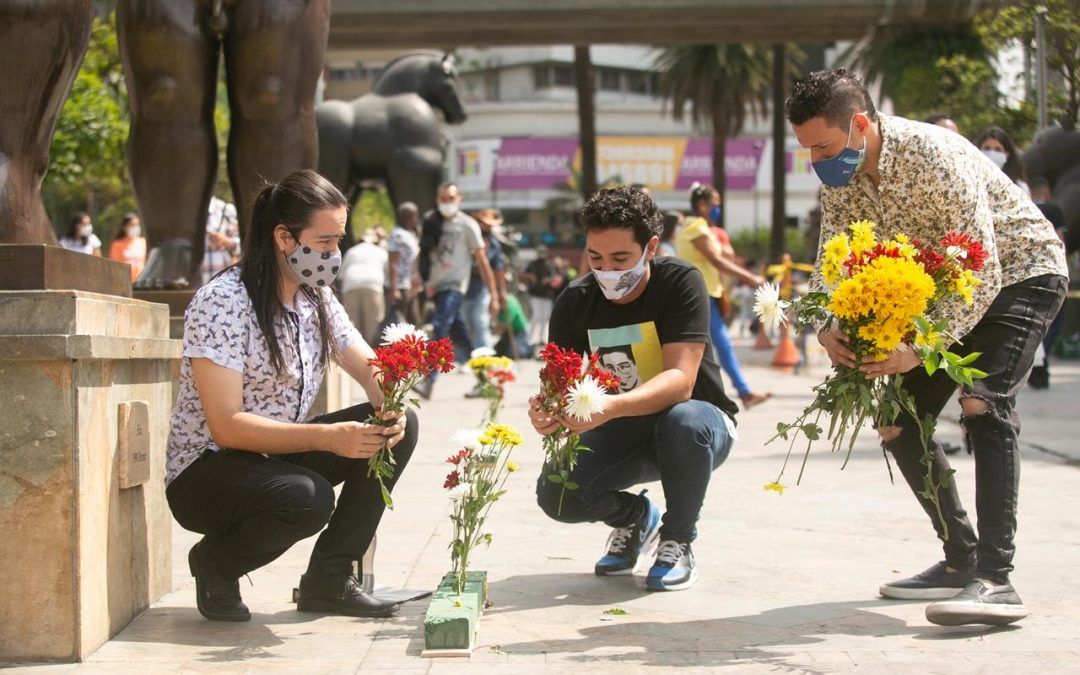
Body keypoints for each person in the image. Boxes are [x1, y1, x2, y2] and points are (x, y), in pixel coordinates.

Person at [787, 68, 1067, 626]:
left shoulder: (937, 156)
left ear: (860, 125)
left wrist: (917, 349)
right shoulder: (838, 178)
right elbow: (830, 263)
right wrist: (825, 324)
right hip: (944, 295)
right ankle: (960, 560)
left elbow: (983, 269)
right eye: (807, 149)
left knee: (982, 402)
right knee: (897, 419)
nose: (816, 160)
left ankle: (997, 579)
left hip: (1018, 277)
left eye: (822, 145)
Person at [165, 169, 417, 622]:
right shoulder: (222, 301)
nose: (334, 254)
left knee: (403, 424)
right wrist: (327, 438)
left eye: (339, 241)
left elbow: (366, 364)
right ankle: (216, 564)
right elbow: (226, 425)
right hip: (208, 470)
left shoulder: (314, 296)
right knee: (309, 497)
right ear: (284, 237)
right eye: (324, 242)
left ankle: (329, 580)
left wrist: (389, 403)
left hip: (276, 455)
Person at [529, 185, 739, 592]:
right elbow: (560, 385)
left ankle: (678, 539)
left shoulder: (681, 282)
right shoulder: (575, 301)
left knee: (683, 420)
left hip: (699, 426)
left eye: (620, 258)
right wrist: (548, 411)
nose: (607, 270)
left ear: (651, 247)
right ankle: (635, 518)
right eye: (595, 257)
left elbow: (681, 382)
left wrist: (608, 406)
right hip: (623, 427)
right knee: (557, 493)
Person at [675, 184, 770, 409]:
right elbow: (717, 260)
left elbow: (726, 254)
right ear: (702, 205)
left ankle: (738, 393)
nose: (718, 209)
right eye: (715, 204)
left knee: (712, 348)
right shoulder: (695, 226)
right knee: (718, 346)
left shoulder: (702, 228)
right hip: (699, 296)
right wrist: (750, 278)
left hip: (706, 294)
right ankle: (742, 393)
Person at [415, 183, 499, 399]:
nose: (446, 202)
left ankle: (429, 380)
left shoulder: (468, 225)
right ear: (437, 200)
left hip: (454, 286)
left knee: (440, 326)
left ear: (459, 199)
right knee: (461, 337)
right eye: (442, 198)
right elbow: (423, 253)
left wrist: (495, 295)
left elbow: (482, 262)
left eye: (450, 198)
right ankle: (484, 381)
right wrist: (419, 278)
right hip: (435, 286)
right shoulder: (432, 221)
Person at [463, 208, 508, 352]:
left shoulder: (495, 245)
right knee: (463, 324)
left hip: (482, 288)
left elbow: (498, 269)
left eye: (490, 224)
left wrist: (501, 292)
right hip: (462, 287)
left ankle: (484, 354)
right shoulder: (466, 239)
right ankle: (463, 356)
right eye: (484, 224)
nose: (487, 227)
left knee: (481, 322)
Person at [339, 229, 388, 346]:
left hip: (351, 284)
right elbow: (387, 273)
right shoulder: (380, 251)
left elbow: (341, 274)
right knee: (373, 323)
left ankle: (355, 353)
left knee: (352, 323)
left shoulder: (352, 251)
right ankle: (371, 353)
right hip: (373, 285)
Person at [384, 202, 421, 326]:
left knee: (414, 322)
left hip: (409, 285)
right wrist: (394, 289)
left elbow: (412, 260)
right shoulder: (397, 235)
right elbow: (393, 262)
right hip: (400, 286)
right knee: (401, 323)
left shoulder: (410, 234)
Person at [521, 245, 560, 347]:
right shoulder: (532, 264)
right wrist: (530, 276)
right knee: (536, 316)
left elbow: (554, 277)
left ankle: (542, 338)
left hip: (546, 294)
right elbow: (522, 274)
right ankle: (530, 339)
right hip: (535, 293)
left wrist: (548, 279)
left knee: (545, 317)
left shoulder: (548, 264)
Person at [974, 126, 1030, 197]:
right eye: (987, 148)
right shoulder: (971, 183)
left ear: (1007, 154)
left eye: (998, 149)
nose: (991, 153)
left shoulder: (1019, 188)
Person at [201, 198, 241, 285]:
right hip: (192, 286)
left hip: (220, 284)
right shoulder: (187, 209)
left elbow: (241, 244)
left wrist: (225, 240)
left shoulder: (225, 209)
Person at [108, 212, 148, 281]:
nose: (135, 227)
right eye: (132, 225)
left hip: (140, 281)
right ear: (124, 227)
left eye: (137, 225)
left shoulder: (143, 242)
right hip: (123, 281)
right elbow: (114, 266)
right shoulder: (117, 244)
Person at [493, 292, 531, 359]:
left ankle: (529, 349)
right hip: (508, 332)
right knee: (498, 351)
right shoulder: (497, 302)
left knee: (515, 354)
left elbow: (507, 323)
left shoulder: (510, 302)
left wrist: (497, 326)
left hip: (519, 330)